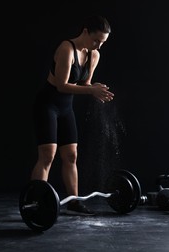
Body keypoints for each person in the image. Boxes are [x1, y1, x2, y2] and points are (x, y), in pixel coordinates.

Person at [30, 15, 114, 216]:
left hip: (66, 108)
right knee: (48, 156)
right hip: (47, 104)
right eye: (96, 40)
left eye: (102, 43)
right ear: (85, 31)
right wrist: (90, 91)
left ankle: (74, 202)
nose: (98, 46)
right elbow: (61, 85)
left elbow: (84, 85)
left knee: (71, 155)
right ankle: (34, 200)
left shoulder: (94, 55)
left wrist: (95, 88)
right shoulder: (66, 49)